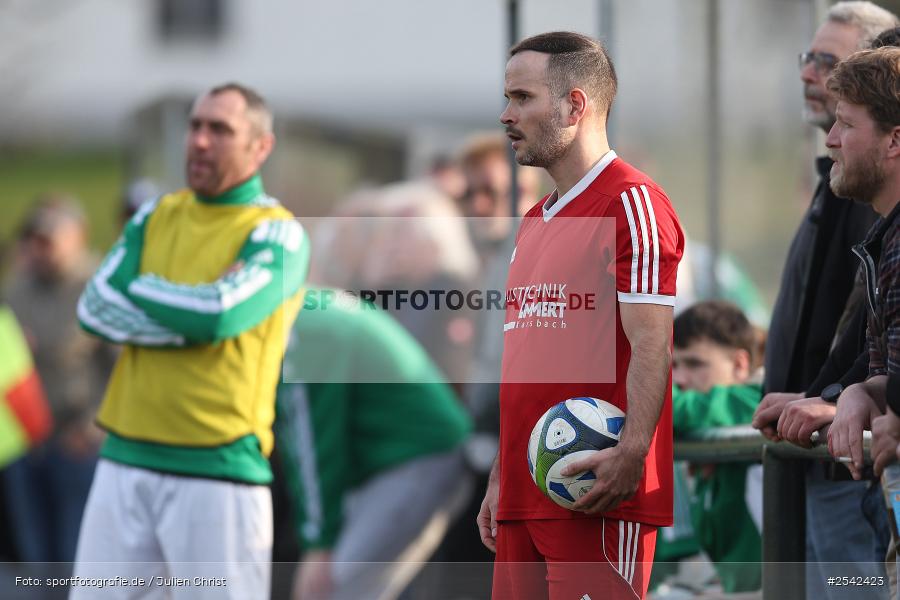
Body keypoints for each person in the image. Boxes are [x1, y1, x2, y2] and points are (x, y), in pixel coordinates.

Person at [71, 82, 309, 599]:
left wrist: (138, 286)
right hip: (124, 458)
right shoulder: (154, 215)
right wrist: (190, 315)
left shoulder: (278, 233)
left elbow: (220, 315)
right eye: (195, 126)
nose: (200, 140)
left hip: (217, 468)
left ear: (260, 147)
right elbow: (93, 307)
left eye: (220, 129)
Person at [479, 32, 684, 599]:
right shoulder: (533, 220)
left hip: (594, 491)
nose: (506, 115)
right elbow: (530, 362)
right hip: (524, 495)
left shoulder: (632, 202)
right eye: (507, 98)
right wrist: (503, 471)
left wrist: (632, 454)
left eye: (523, 98)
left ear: (575, 105)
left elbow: (652, 344)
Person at [750, 4, 898, 598]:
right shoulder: (858, 198)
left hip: (850, 471)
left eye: (829, 61)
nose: (810, 74)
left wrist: (838, 397)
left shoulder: (876, 203)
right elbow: (880, 347)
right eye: (809, 59)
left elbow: (869, 334)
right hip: (833, 454)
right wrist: (850, 393)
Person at [275, 287, 472, 600]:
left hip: (419, 458)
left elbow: (313, 447)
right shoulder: (306, 312)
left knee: (330, 591)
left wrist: (319, 543)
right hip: (406, 458)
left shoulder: (301, 331)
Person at [2, 197, 115, 564]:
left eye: (50, 239)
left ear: (78, 236)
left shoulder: (99, 288)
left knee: (77, 554)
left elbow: (123, 369)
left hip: (78, 443)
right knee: (36, 555)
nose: (41, 248)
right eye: (35, 239)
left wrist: (93, 427)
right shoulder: (17, 291)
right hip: (26, 445)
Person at [670, 301, 763, 593]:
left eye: (694, 364)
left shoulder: (758, 398)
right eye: (673, 365)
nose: (679, 379)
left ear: (739, 364)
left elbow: (672, 408)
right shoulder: (701, 416)